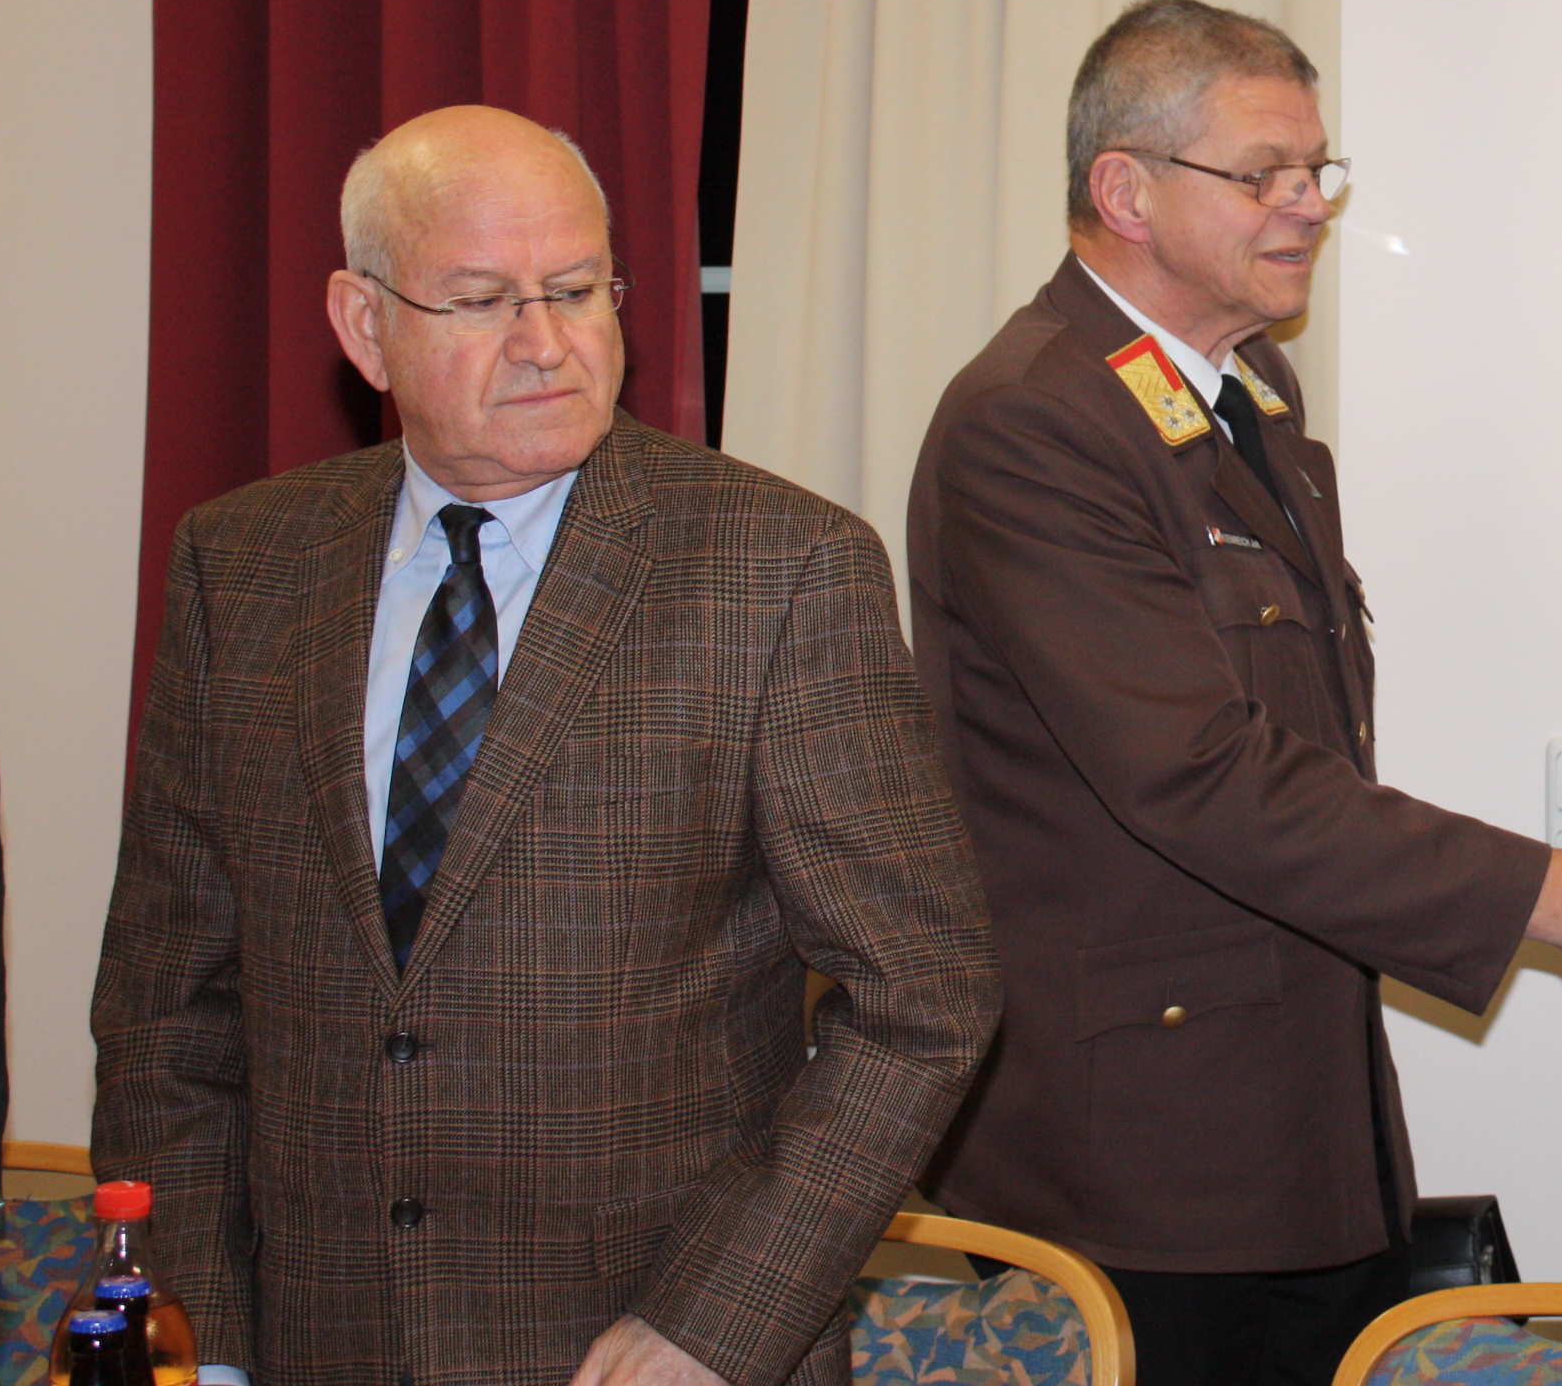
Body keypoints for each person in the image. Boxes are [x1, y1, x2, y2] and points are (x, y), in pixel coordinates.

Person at [907, 0, 1562, 1386]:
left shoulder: (1250, 395)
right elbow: (1202, 775)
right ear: (1124, 191)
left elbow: (1312, 755)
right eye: (1264, 174)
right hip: (1140, 1169)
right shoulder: (1035, 421)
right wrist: (1549, 894)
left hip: (1301, 1132)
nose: (1309, 204)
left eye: (1317, 170)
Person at [93, 107, 998, 1386]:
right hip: (317, 1341)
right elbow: (166, 1013)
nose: (546, 342)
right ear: (364, 324)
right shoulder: (241, 564)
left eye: (575, 289)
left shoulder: (777, 568)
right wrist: (203, 1350)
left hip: (645, 1343)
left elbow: (923, 994)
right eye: (481, 302)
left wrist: (715, 1322)